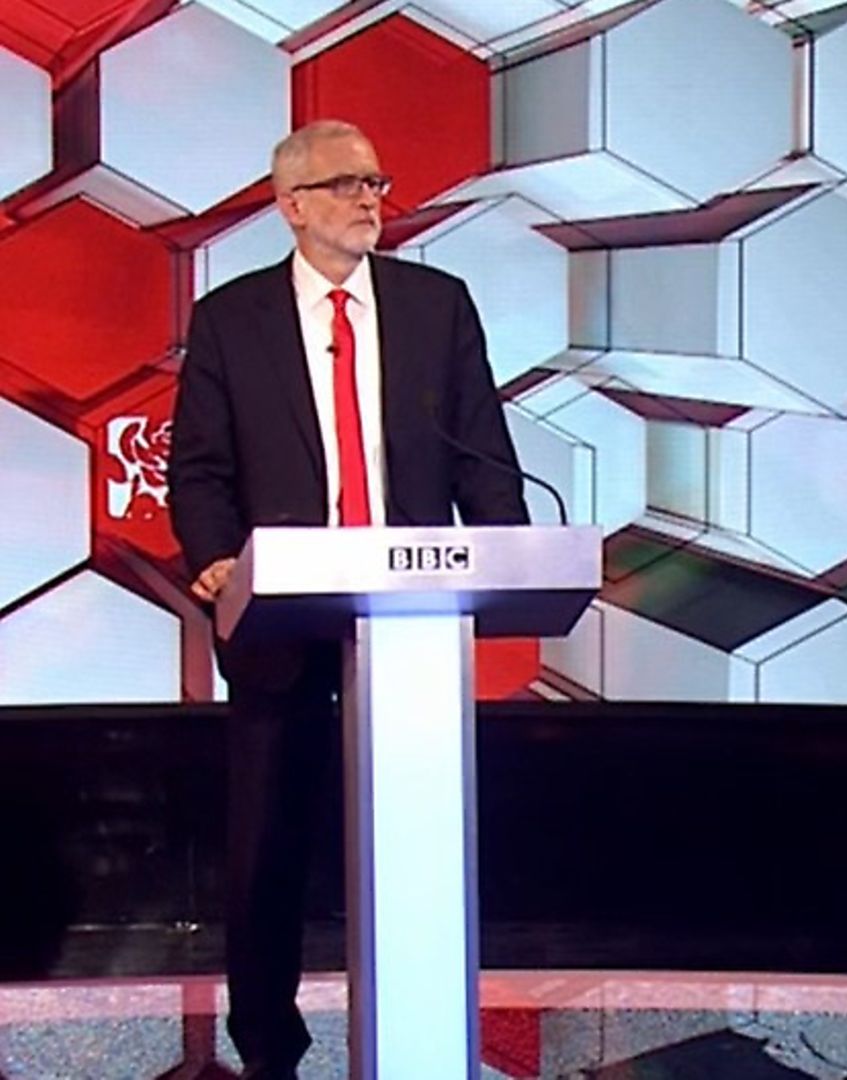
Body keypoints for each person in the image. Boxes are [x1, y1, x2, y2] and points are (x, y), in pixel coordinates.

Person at [169, 119, 529, 1078]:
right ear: (292, 207)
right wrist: (212, 557)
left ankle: (418, 1023)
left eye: (378, 179)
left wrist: (510, 547)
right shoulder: (231, 320)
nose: (371, 198)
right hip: (281, 623)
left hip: (412, 622)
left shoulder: (435, 306)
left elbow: (482, 454)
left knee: (418, 836)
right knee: (269, 843)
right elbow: (199, 470)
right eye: (347, 184)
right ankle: (268, 1046)